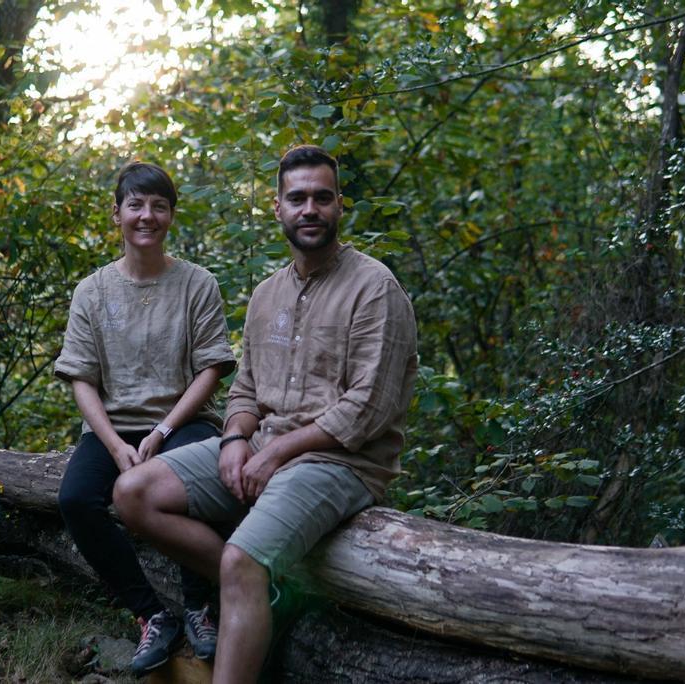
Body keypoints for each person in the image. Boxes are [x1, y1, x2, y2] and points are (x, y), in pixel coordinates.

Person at [113, 145, 418, 682]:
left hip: (340, 463)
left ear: (339, 206)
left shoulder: (374, 289)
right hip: (264, 445)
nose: (309, 209)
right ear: (277, 207)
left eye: (322, 198)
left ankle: (247, 580)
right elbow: (246, 390)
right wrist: (234, 440)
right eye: (296, 198)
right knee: (133, 492)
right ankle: (263, 591)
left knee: (241, 560)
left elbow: (368, 408)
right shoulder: (267, 294)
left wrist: (275, 451)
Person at [53, 161, 236, 676]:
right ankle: (152, 613)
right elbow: (81, 378)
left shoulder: (196, 284)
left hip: (184, 421)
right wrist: (113, 446)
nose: (146, 216)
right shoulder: (92, 291)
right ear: (117, 214)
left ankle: (199, 607)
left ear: (171, 215)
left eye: (158, 206)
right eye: (136, 205)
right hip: (114, 427)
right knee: (76, 499)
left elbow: (211, 368)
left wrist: (163, 431)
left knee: (189, 483)